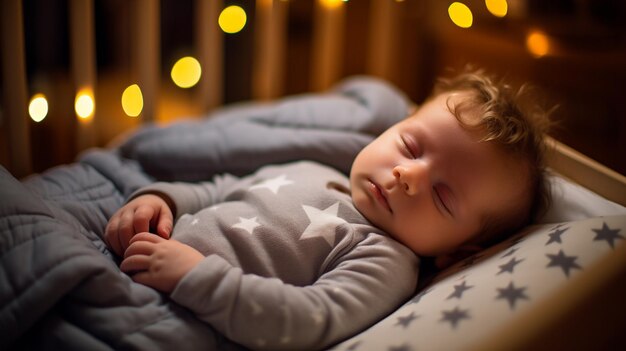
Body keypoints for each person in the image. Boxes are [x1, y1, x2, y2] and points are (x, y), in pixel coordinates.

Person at [104, 68, 550, 350]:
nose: (409, 176)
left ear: (459, 250)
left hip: (175, 319)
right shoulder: (312, 168)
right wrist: (161, 200)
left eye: (443, 196)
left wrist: (197, 277)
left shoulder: (385, 261)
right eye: (410, 146)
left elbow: (304, 320)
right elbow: (221, 188)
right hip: (140, 255)